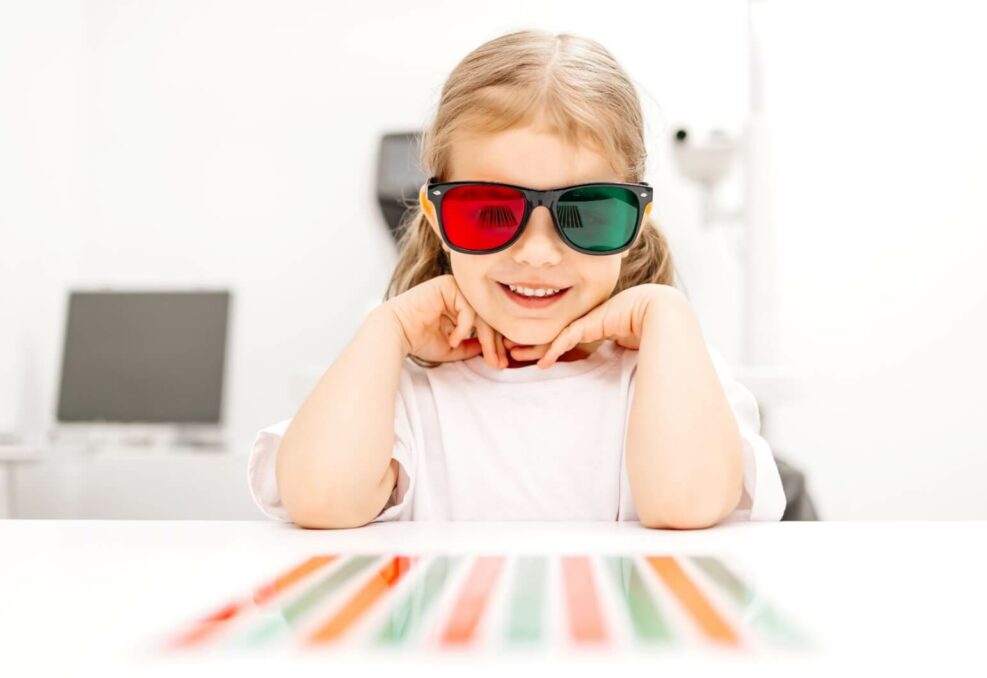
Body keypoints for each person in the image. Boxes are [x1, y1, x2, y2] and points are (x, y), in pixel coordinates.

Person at [248, 30, 786, 529]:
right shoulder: (403, 384)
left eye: (586, 214)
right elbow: (319, 500)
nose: (536, 254)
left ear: (633, 224)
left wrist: (667, 314)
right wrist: (387, 329)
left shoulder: (670, 369)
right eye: (490, 212)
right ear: (438, 220)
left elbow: (685, 504)